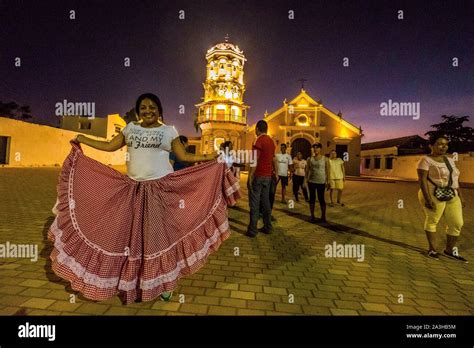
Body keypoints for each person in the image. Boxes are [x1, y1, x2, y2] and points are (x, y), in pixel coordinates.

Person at [48, 93, 241, 304]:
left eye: (151, 107)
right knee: (131, 238)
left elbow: (185, 156)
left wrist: (211, 158)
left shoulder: (168, 131)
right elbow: (110, 146)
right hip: (132, 191)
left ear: (159, 110)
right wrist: (83, 139)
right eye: (143, 108)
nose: (147, 111)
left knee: (159, 239)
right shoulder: (131, 129)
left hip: (159, 193)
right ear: (139, 112)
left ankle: (166, 285)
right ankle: (136, 280)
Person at [417, 136, 467, 262]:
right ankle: (432, 249)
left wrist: (461, 195)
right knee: (433, 220)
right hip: (433, 193)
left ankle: (449, 250)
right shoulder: (425, 160)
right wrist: (428, 199)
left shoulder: (450, 160)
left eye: (445, 144)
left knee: (457, 223)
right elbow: (422, 181)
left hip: (451, 194)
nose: (443, 146)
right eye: (439, 144)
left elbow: (456, 179)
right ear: (431, 145)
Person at [246, 120, 276, 237]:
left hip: (258, 176)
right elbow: (273, 158)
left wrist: (250, 176)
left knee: (254, 203)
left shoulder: (258, 140)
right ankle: (268, 227)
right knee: (266, 202)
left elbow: (255, 159)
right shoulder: (271, 141)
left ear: (257, 129)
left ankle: (253, 230)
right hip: (267, 176)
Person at [305, 143, 329, 223]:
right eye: (314, 148)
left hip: (321, 181)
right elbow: (307, 170)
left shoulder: (325, 159)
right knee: (312, 199)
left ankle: (323, 216)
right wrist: (305, 180)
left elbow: (327, 170)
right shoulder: (310, 159)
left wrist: (328, 181)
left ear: (320, 149)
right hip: (311, 181)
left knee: (321, 198)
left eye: (317, 148)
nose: (315, 149)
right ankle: (312, 215)